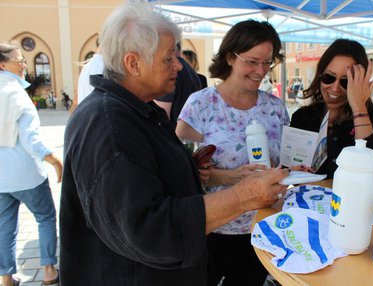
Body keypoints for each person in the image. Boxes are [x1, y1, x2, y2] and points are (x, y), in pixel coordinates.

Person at [59, 4, 289, 286]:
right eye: (169, 58)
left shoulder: (136, 112)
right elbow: (149, 229)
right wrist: (242, 196)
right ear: (134, 63)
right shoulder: (108, 126)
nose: (180, 66)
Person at [176, 20, 289, 286]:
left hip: (262, 227)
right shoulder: (200, 105)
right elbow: (182, 172)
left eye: (267, 63)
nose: (260, 71)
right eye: (252, 62)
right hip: (214, 226)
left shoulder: (276, 108)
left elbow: (285, 164)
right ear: (229, 56)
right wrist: (231, 177)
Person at [0, 42, 62, 286]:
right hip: (26, 173)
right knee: (45, 216)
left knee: (5, 226)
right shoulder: (15, 93)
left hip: (2, 177)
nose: (24, 65)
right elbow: (30, 138)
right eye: (20, 60)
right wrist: (53, 158)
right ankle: (49, 271)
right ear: (3, 64)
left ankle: (6, 277)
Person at [290, 39, 373, 179]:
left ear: (359, 83)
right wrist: (293, 171)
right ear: (320, 75)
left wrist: (359, 108)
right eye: (328, 77)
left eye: (346, 81)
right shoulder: (302, 117)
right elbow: (291, 170)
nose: (335, 88)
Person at [154, 42, 202, 128]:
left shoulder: (168, 70)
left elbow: (161, 119)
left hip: (174, 135)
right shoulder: (189, 70)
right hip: (188, 134)